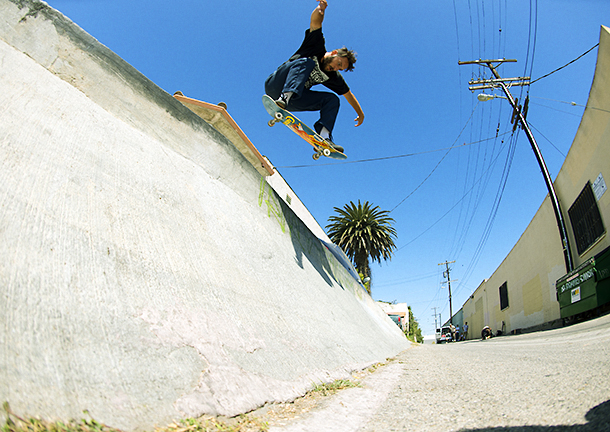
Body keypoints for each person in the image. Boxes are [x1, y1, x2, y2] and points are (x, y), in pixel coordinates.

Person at [264, 0, 364, 153]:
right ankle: (284, 97)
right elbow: (316, 22)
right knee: (307, 62)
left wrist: (360, 114)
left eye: (339, 68)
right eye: (338, 63)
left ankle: (324, 136)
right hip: (276, 84)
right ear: (335, 53)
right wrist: (321, 8)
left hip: (295, 102)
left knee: (332, 99)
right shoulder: (316, 45)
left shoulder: (332, 76)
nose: (335, 68)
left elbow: (348, 95)